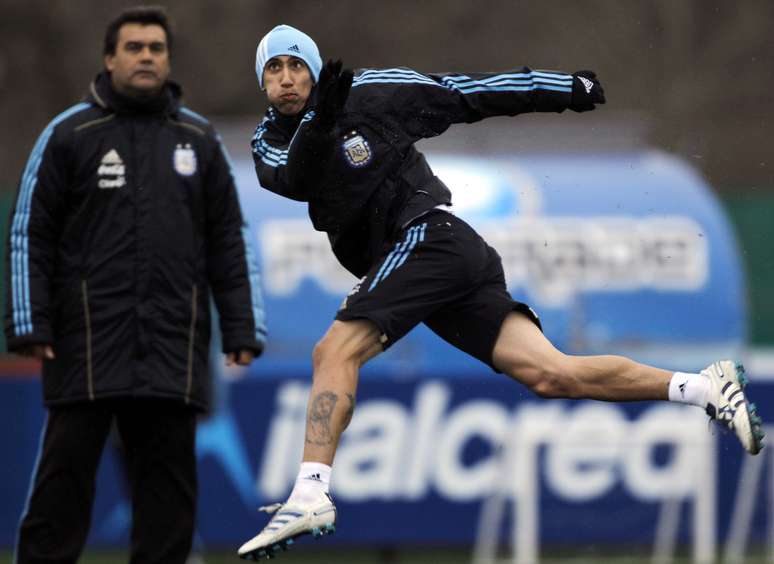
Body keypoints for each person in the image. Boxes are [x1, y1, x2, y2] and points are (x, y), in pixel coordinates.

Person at [238, 24, 764, 560]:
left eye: (296, 65)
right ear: (262, 83)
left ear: (314, 67)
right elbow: (294, 178)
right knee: (552, 374)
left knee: (333, 350)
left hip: (430, 238)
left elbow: (468, 93)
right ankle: (703, 387)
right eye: (273, 69)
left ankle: (310, 492)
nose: (286, 78)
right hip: (436, 264)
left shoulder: (370, 92)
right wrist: (320, 124)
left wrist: (560, 89)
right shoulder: (270, 141)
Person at [5, 6, 267, 563]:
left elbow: (229, 238)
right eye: (133, 47)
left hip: (171, 352)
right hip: (85, 350)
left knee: (169, 510)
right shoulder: (69, 134)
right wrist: (30, 321)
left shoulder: (198, 139)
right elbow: (31, 230)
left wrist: (242, 324)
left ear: (168, 59)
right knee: (60, 497)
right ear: (109, 58)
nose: (146, 55)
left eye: (156, 47)